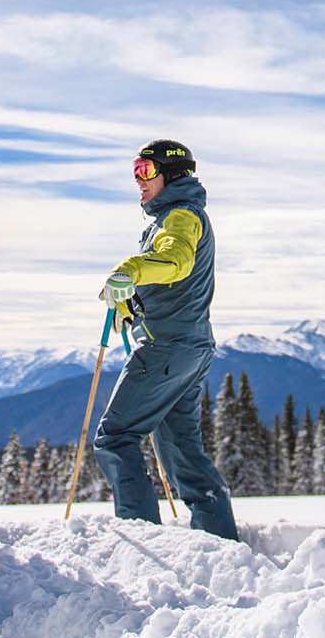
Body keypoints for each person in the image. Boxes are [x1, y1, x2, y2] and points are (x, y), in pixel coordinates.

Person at [90, 139, 238, 540]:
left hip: (166, 349)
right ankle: (218, 540)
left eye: (145, 170)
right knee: (181, 449)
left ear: (170, 174)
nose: (138, 180)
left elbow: (176, 262)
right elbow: (171, 279)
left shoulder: (180, 218)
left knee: (116, 438)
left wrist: (129, 271)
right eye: (136, 170)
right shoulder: (173, 218)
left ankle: (140, 537)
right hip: (190, 347)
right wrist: (129, 303)